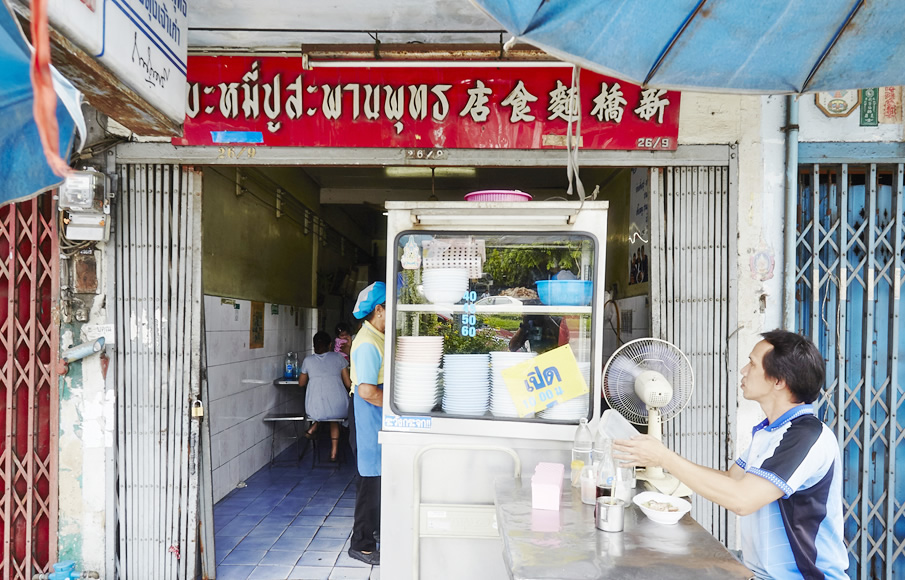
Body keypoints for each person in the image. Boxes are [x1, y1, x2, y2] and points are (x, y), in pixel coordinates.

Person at [614, 330, 848, 579]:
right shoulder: (771, 431)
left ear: (779, 381)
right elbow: (733, 479)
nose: (743, 370)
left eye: (753, 364)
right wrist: (662, 458)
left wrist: (664, 458)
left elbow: (742, 499)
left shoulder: (806, 436)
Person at [347, 281, 386, 566]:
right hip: (365, 416)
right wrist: (401, 404)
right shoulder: (367, 343)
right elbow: (367, 391)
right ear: (379, 309)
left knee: (377, 480)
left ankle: (376, 531)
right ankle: (361, 544)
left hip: (374, 416)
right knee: (369, 482)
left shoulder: (378, 336)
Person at [299, 331, 351, 462]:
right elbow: (348, 383)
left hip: (315, 408)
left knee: (323, 409)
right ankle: (334, 453)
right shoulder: (338, 358)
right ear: (330, 345)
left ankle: (314, 425)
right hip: (339, 407)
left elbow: (301, 383)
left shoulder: (308, 361)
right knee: (334, 418)